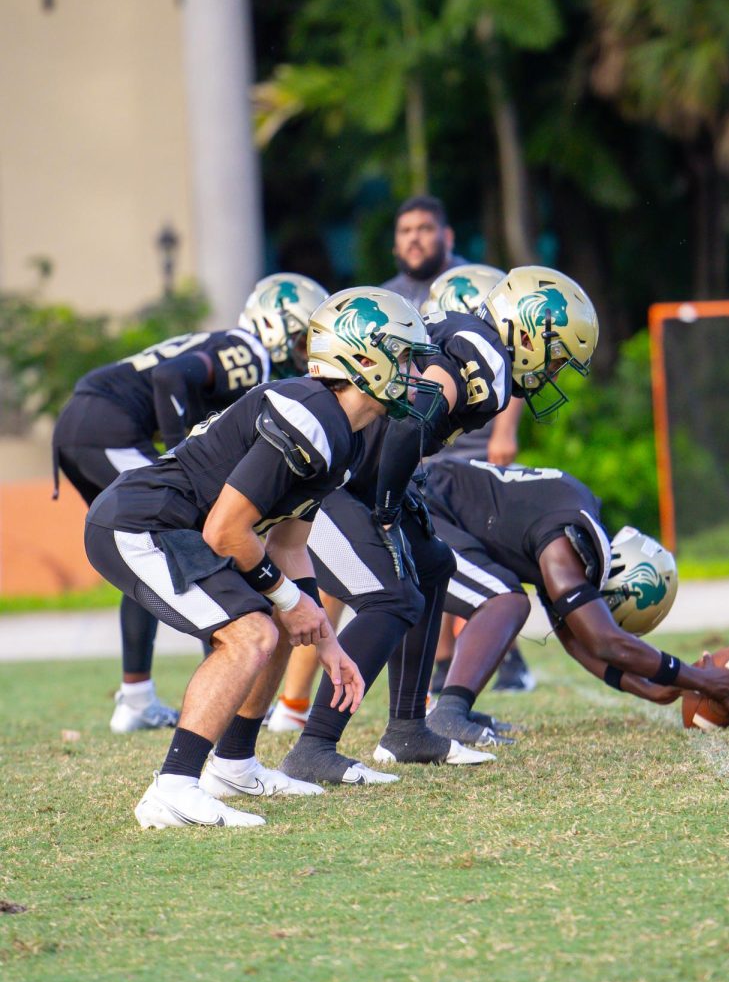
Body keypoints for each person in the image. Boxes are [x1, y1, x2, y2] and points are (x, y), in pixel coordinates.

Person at [83, 286, 439, 828]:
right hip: (141, 523)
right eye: (406, 355)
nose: (415, 371)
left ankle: (234, 763)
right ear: (363, 358)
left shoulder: (348, 436)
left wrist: (323, 637)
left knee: (278, 616)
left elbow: (290, 543)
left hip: (182, 527)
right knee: (253, 631)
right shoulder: (309, 414)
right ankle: (174, 786)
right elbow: (227, 529)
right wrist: (285, 601)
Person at [277, 266, 600, 785]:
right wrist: (385, 507)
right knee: (393, 597)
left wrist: (396, 492)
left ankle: (407, 729)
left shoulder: (466, 332)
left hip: (355, 468)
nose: (554, 370)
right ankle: (314, 744)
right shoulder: (489, 358)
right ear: (531, 331)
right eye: (557, 353)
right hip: (332, 474)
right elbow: (411, 420)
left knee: (433, 564)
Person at [52, 273, 327, 734]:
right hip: (107, 426)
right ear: (277, 327)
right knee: (190, 537)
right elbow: (169, 376)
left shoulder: (236, 350)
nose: (303, 353)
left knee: (145, 551)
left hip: (85, 424)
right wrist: (179, 454)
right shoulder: (249, 352)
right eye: (302, 339)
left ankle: (137, 696)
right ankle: (216, 685)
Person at [419, 458, 729, 741]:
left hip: (428, 498)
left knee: (501, 596)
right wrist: (699, 679)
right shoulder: (567, 543)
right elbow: (605, 642)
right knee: (505, 599)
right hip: (421, 504)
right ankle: (449, 713)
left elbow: (577, 643)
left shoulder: (574, 526)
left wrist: (656, 690)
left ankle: (435, 714)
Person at [422, 263, 533, 693]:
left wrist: (504, 434)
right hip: (434, 449)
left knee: (478, 550)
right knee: (441, 548)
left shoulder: (491, 295)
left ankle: (504, 656)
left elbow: (515, 370)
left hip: (473, 447)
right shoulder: (451, 321)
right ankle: (443, 663)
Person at [380, 195, 468, 309]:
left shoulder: (475, 284)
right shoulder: (385, 300)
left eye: (424, 228)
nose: (413, 237)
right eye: (405, 231)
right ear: (395, 244)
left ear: (448, 237)